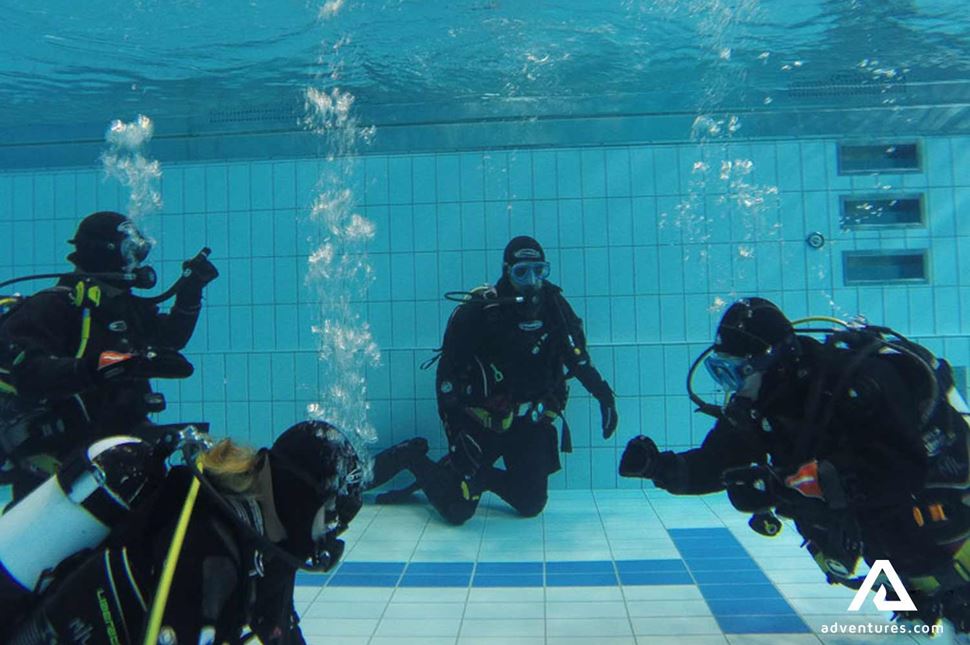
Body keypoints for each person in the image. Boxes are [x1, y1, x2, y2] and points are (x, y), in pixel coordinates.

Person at [618, 297, 970, 631]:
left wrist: (783, 486)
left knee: (895, 524)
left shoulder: (856, 386)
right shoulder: (761, 403)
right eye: (723, 374)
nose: (734, 388)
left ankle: (956, 594)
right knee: (826, 525)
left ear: (775, 363)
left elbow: (900, 471)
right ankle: (917, 600)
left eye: (738, 373)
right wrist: (658, 468)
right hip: (873, 496)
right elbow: (717, 462)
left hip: (940, 478)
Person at [4, 419, 366, 645]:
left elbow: (279, 629)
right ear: (299, 499)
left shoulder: (265, 545)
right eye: (331, 515)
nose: (331, 532)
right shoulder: (211, 553)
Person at [369, 236, 617, 524]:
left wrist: (604, 395)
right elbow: (447, 381)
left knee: (531, 503)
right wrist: (456, 436)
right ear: (506, 271)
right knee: (457, 511)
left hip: (529, 422)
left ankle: (481, 477)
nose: (532, 281)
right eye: (522, 272)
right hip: (483, 421)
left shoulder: (555, 308)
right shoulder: (481, 311)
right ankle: (411, 457)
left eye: (539, 271)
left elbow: (577, 358)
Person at [0, 210, 218, 500]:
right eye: (131, 251)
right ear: (103, 253)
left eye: (140, 252)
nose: (137, 262)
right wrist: (104, 366)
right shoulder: (52, 306)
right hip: (61, 465)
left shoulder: (120, 306)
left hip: (120, 448)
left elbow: (170, 339)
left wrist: (191, 291)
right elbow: (30, 374)